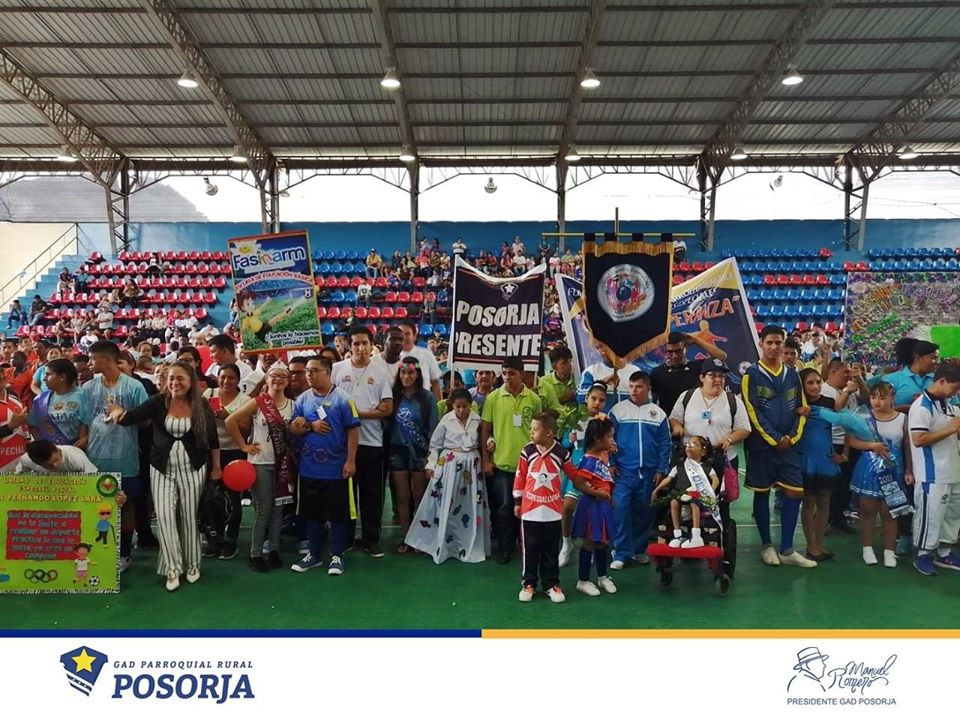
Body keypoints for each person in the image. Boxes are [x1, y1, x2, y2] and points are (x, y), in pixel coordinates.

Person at [108, 361, 220, 592]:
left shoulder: (201, 404)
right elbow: (130, 418)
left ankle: (192, 564)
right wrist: (117, 411)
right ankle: (172, 568)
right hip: (161, 469)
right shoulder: (157, 402)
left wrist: (216, 467)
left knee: (189, 517)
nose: (175, 383)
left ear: (190, 381)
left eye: (180, 378)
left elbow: (212, 438)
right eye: (171, 378)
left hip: (194, 468)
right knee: (165, 517)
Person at [741, 326, 816, 568]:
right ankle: (766, 546)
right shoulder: (751, 375)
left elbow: (802, 408)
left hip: (789, 446)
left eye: (778, 343)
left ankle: (787, 549)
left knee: (795, 492)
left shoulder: (793, 374)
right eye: (769, 343)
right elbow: (753, 411)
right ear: (761, 344)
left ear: (784, 345)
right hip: (762, 446)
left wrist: (791, 438)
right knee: (762, 492)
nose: (774, 347)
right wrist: (775, 439)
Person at [79, 340, 150, 572]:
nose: (89, 363)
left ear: (107, 359)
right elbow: (85, 420)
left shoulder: (133, 387)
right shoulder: (88, 387)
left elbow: (146, 420)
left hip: (125, 456)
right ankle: (98, 551)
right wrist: (83, 441)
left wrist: (124, 414)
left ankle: (124, 553)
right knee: (98, 504)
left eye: (93, 358)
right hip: (96, 457)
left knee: (126, 504)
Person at [289, 356, 360, 576]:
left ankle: (337, 555)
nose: (309, 374)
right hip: (309, 468)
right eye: (307, 371)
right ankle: (314, 554)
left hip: (336, 469)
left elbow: (353, 430)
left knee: (338, 515)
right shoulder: (302, 399)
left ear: (328, 372)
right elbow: (293, 428)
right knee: (311, 514)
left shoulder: (343, 399)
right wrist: (306, 425)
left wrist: (350, 460)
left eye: (314, 370)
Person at [405, 388, 489, 563]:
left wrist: (490, 442)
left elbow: (484, 438)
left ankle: (467, 543)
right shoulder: (446, 420)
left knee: (470, 504)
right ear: (452, 405)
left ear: (470, 405)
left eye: (464, 406)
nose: (461, 410)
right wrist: (431, 465)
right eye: (458, 407)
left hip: (472, 466)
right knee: (447, 503)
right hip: (450, 465)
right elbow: (435, 445)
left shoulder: (477, 419)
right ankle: (444, 544)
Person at [331, 326, 393, 557]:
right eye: (356, 343)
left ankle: (371, 540)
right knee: (345, 495)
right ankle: (345, 538)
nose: (360, 348)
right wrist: (354, 416)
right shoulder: (337, 369)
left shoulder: (381, 372)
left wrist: (355, 415)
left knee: (372, 495)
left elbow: (387, 408)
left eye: (364, 343)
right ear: (349, 345)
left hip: (372, 443)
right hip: (342, 444)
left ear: (371, 345)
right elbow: (328, 401)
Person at [226, 362, 294, 573]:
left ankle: (273, 550)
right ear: (267, 378)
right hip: (260, 463)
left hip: (282, 464)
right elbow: (230, 421)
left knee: (278, 509)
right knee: (264, 510)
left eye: (283, 376)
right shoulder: (258, 402)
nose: (278, 379)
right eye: (274, 375)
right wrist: (243, 446)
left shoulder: (293, 404)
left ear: (288, 381)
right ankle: (255, 553)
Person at [481, 356, 543, 564]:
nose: (507, 377)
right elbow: (485, 430)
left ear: (522, 374)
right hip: (503, 464)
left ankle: (523, 544)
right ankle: (505, 547)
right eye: (504, 373)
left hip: (529, 464)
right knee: (505, 507)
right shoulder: (493, 398)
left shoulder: (533, 399)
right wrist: (486, 460)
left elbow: (539, 431)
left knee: (527, 506)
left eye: (512, 373)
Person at [608, 371, 670, 569]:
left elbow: (665, 443)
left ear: (648, 388)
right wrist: (611, 462)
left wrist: (661, 468)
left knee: (644, 513)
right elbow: (608, 439)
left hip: (649, 474)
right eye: (631, 386)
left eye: (638, 387)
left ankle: (639, 550)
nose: (634, 391)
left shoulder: (658, 414)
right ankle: (621, 552)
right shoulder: (618, 411)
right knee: (621, 510)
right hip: (623, 473)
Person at [848, 381, 913, 568]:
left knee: (890, 512)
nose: (877, 401)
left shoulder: (903, 418)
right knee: (867, 510)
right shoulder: (864, 416)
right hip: (869, 468)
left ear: (892, 398)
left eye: (882, 397)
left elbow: (907, 446)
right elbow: (852, 441)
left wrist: (909, 470)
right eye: (873, 397)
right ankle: (867, 548)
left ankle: (889, 551)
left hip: (894, 469)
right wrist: (871, 446)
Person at [513, 412, 576, 603]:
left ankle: (551, 584)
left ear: (548, 433)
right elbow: (520, 476)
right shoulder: (527, 451)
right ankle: (529, 583)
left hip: (553, 512)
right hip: (530, 511)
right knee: (530, 549)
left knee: (550, 550)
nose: (531, 433)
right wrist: (517, 501)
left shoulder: (562, 453)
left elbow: (573, 475)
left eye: (535, 429)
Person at [668, 358, 750, 498]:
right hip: (691, 459)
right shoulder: (687, 396)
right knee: (687, 499)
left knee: (720, 501)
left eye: (721, 376)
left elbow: (744, 429)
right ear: (702, 377)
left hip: (722, 459)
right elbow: (674, 418)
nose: (718, 380)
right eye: (712, 375)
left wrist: (729, 439)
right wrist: (677, 427)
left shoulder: (733, 401)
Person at [908, 360, 960, 576]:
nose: (957, 392)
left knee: (952, 515)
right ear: (942, 381)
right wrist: (950, 429)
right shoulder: (921, 406)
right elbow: (918, 439)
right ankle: (923, 554)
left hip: (953, 470)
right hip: (932, 474)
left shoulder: (949, 405)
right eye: (955, 387)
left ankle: (944, 551)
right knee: (931, 515)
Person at [388, 357, 439, 553]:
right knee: (402, 497)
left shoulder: (427, 398)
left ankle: (420, 537)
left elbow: (434, 429)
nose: (406, 376)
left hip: (420, 451)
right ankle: (407, 537)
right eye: (403, 372)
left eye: (411, 372)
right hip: (398, 451)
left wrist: (430, 455)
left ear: (417, 374)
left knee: (419, 497)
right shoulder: (392, 396)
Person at [796, 368, 844, 562]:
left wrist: (844, 454)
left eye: (818, 382)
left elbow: (847, 420)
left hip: (826, 458)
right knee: (809, 502)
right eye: (810, 383)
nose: (815, 386)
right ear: (802, 385)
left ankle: (819, 543)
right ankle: (811, 545)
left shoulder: (829, 402)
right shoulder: (797, 404)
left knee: (825, 502)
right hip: (806, 458)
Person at [201, 363, 248, 560]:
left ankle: (231, 539)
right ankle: (214, 538)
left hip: (234, 453)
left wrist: (228, 417)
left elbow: (246, 430)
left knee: (233, 499)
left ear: (238, 380)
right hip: (209, 453)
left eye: (231, 378)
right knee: (210, 498)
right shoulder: (208, 395)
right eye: (223, 377)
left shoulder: (244, 400)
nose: (226, 381)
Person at [569, 415, 619, 597]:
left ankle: (602, 576)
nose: (612, 440)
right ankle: (583, 580)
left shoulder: (602, 453)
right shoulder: (589, 461)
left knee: (602, 541)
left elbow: (611, 450)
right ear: (598, 439)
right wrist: (597, 493)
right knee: (589, 542)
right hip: (592, 506)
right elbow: (578, 483)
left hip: (603, 504)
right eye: (609, 436)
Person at [559, 382, 608, 567]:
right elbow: (564, 444)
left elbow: (610, 445)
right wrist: (569, 440)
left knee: (593, 512)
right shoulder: (574, 418)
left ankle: (592, 546)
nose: (597, 403)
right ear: (586, 398)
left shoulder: (604, 422)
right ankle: (566, 543)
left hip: (595, 472)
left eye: (601, 400)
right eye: (594, 398)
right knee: (567, 508)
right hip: (576, 470)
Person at [652, 435, 720, 548]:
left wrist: (710, 491)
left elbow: (715, 479)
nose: (689, 446)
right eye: (688, 444)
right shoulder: (679, 466)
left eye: (694, 444)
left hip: (698, 495)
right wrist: (656, 489)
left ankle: (696, 535)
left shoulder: (706, 467)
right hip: (681, 494)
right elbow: (669, 479)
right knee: (673, 502)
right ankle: (677, 534)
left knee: (694, 501)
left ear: (703, 452)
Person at [649, 331, 728, 415]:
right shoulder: (657, 373)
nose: (674, 356)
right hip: (670, 420)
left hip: (696, 418)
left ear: (686, 348)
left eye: (678, 351)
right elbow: (650, 400)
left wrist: (696, 340)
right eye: (670, 352)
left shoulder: (697, 367)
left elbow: (721, 357)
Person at [28, 357, 87, 447]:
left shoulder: (83, 396)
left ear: (62, 377)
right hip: (49, 451)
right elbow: (33, 426)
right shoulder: (41, 399)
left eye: (48, 374)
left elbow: (86, 424)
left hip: (75, 450)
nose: (44, 379)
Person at [577, 345, 642, 411]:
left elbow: (643, 399)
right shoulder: (591, 371)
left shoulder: (634, 371)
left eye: (606, 347)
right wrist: (602, 382)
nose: (602, 351)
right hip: (602, 417)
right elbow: (580, 398)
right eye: (599, 348)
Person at [883, 339, 938, 413]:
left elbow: (951, 407)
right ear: (918, 357)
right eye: (932, 358)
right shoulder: (891, 379)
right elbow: (881, 409)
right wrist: (912, 408)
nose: (935, 362)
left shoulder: (939, 380)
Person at [537, 345, 578, 436]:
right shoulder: (544, 382)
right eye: (564, 363)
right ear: (554, 366)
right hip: (553, 431)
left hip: (575, 428)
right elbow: (543, 407)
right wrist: (563, 399)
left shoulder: (578, 378)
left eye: (570, 361)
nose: (569, 365)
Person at [397, 319, 443, 399]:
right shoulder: (392, 357)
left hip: (423, 402)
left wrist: (438, 405)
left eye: (407, 334)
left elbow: (435, 383)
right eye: (401, 334)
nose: (404, 337)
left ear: (414, 336)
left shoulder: (426, 354)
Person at [15, 438, 98, 474]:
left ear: (57, 449)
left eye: (57, 459)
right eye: (49, 465)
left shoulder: (75, 457)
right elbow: (19, 478)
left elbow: (93, 477)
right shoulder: (26, 459)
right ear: (36, 463)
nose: (55, 466)